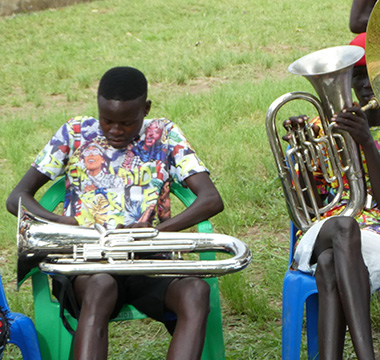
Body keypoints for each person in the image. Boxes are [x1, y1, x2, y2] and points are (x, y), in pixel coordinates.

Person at [5, 66, 224, 360]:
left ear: (146, 109)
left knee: (196, 292)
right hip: (87, 267)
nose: (115, 130)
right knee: (101, 286)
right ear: (97, 105)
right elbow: (17, 197)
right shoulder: (75, 132)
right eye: (107, 120)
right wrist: (63, 223)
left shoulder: (165, 134)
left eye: (127, 122)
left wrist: (156, 233)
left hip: (148, 262)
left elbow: (211, 199)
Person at [285, 33, 380, 360]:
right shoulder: (321, 127)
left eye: (374, 75)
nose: (366, 84)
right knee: (341, 227)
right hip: (322, 232)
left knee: (329, 264)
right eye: (358, 74)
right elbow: (306, 205)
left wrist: (367, 143)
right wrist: (304, 147)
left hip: (378, 238)